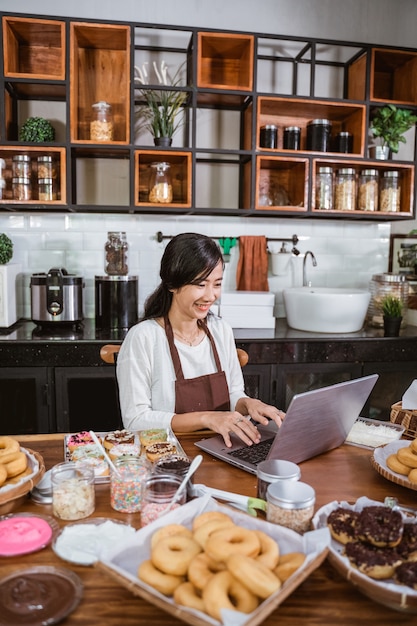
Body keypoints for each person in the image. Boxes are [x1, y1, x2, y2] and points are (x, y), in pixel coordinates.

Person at [116, 232, 284, 447]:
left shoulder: (220, 330)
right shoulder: (144, 337)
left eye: (217, 284)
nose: (210, 296)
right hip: (167, 451)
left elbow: (233, 393)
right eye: (200, 284)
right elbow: (135, 421)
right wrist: (207, 418)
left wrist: (249, 403)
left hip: (223, 447)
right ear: (172, 284)